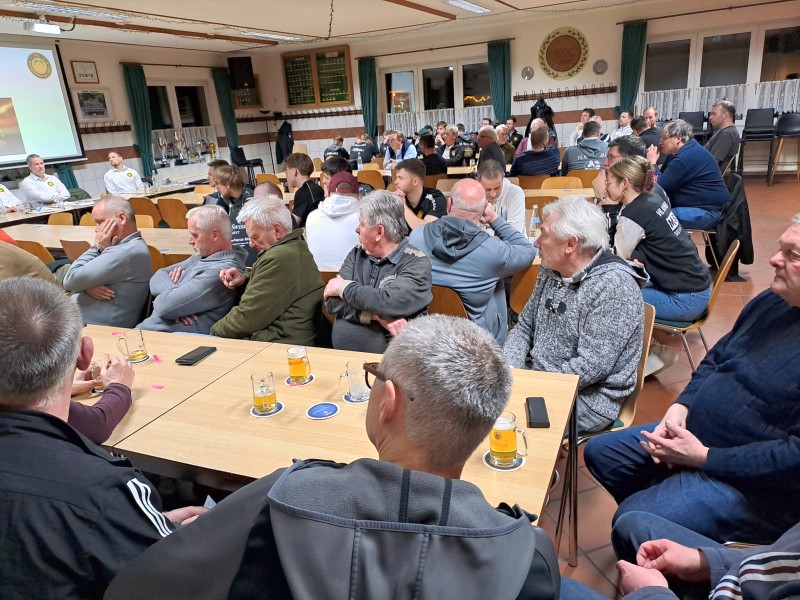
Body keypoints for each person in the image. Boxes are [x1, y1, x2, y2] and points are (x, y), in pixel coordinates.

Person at [104, 315, 560, 600]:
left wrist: (206, 537)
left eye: (374, 375)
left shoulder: (282, 499)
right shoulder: (528, 554)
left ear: (388, 402)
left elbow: (133, 589)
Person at [585, 214, 800, 547]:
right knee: (602, 452)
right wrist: (681, 406)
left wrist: (703, 457)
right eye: (780, 248)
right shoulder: (774, 300)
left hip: (752, 485)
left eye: (792, 254)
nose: (773, 259)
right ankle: (668, 534)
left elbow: (792, 458)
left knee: (630, 520)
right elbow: (719, 355)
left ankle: (671, 542)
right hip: (699, 438)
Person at [0, 277, 204, 600]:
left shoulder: (100, 500)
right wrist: (138, 523)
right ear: (85, 353)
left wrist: (134, 523)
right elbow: (177, 581)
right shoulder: (104, 489)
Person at [504, 196, 646, 433]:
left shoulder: (614, 286)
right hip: (539, 377)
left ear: (571, 244)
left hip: (588, 398)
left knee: (504, 421)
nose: (537, 243)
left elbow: (591, 366)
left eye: (544, 235)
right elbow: (525, 326)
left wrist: (531, 386)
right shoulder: (552, 269)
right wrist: (510, 370)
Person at [409, 178, 535, 343]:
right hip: (476, 344)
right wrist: (495, 219)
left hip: (426, 336)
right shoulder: (493, 251)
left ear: (449, 204)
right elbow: (528, 251)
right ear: (484, 209)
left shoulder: (416, 237)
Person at [325, 191, 432, 352]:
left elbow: (388, 302)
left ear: (379, 232)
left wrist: (343, 288)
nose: (357, 229)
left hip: (391, 362)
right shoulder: (357, 253)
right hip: (341, 356)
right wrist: (376, 317)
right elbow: (332, 302)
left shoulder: (416, 262)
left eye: (362, 224)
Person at [608, 155, 711, 321]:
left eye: (609, 182)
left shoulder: (634, 213)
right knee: (629, 284)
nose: (606, 186)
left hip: (685, 300)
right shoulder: (652, 199)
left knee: (611, 298)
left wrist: (608, 209)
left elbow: (617, 260)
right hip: (698, 289)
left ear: (624, 183)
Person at [211, 196, 323, 345]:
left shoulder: (280, 257)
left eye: (254, 237)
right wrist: (245, 280)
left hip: (277, 345)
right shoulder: (294, 247)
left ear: (277, 231)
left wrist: (211, 333)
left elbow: (247, 319)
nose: (251, 244)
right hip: (281, 340)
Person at [611, 513, 800, 600]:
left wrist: (650, 593)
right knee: (631, 526)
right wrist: (706, 562)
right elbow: (782, 552)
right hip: (740, 583)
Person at [138, 205, 247, 334]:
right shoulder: (202, 256)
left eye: (195, 235)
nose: (190, 241)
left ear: (214, 234)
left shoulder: (221, 271)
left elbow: (163, 306)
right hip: (149, 332)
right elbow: (159, 274)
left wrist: (174, 303)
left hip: (165, 339)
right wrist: (176, 297)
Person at [62, 196, 151, 328]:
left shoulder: (125, 252)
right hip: (79, 322)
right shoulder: (119, 246)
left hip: (95, 329)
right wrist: (85, 285)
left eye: (100, 222)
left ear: (122, 218)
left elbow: (70, 280)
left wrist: (97, 247)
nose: (96, 229)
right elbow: (75, 281)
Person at [648, 120, 730, 230]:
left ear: (678, 138)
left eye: (664, 138)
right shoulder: (686, 150)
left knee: (655, 217)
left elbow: (660, 186)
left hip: (709, 212)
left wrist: (652, 163)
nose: (660, 142)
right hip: (703, 206)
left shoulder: (685, 157)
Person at [305, 170, 360, 271]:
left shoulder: (312, 216)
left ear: (329, 193)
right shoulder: (363, 218)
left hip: (318, 278)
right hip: (352, 278)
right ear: (358, 195)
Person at [213, 164, 257, 266]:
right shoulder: (227, 198)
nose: (216, 187)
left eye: (218, 183)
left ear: (228, 184)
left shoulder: (250, 199)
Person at [476, 159, 527, 237]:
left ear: (503, 177)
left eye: (497, 188)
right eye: (488, 189)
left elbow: (513, 235)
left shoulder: (515, 193)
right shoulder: (471, 195)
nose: (493, 194)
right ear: (478, 181)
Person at [392, 158, 446, 230]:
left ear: (415, 182)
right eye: (396, 178)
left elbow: (427, 231)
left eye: (400, 178)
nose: (395, 182)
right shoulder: (396, 198)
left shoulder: (435, 198)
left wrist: (403, 206)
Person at [284, 152, 324, 229]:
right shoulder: (317, 187)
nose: (287, 175)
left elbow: (293, 225)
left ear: (294, 172)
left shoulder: (303, 192)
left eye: (287, 171)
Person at [705, 99, 740, 171]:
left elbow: (712, 163)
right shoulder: (724, 131)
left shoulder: (726, 135)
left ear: (725, 115)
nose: (710, 117)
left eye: (714, 114)